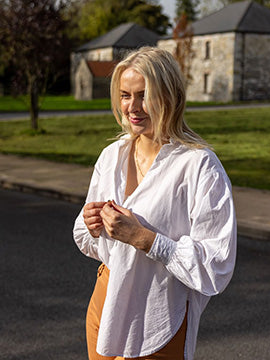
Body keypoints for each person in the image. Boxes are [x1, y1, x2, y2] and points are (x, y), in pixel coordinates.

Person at [73, 47, 237, 360]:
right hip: (104, 304)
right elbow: (88, 240)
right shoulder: (111, 157)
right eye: (124, 94)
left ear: (171, 96)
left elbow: (216, 266)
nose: (132, 107)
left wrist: (144, 239)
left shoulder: (199, 165)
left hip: (159, 318)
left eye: (144, 95)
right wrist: (92, 225)